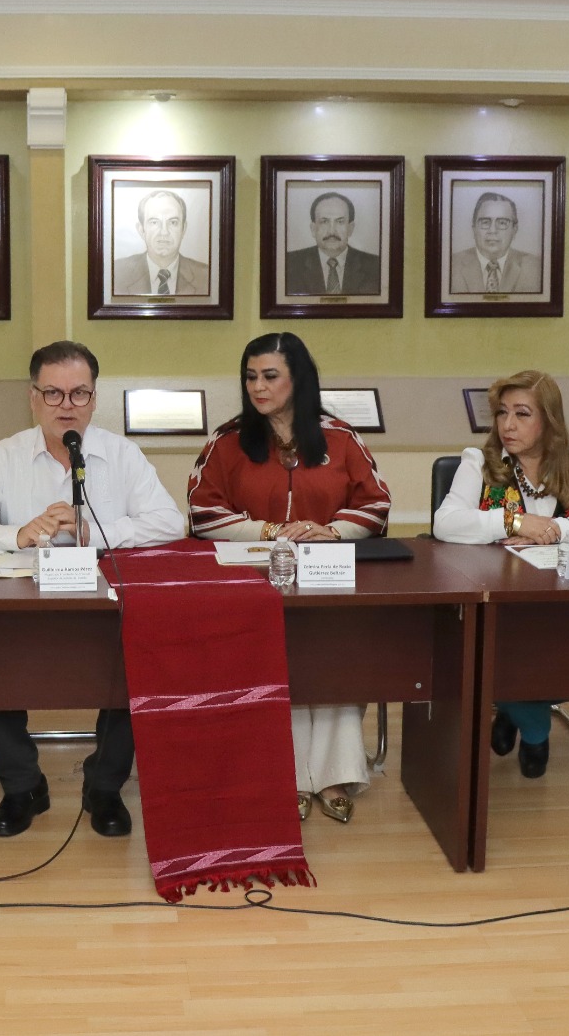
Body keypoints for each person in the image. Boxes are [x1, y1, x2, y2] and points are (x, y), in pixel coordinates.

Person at [0, 340, 184, 839]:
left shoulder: (121, 454)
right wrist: (16, 534)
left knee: (139, 654)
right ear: (33, 398)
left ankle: (104, 788)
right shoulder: (4, 456)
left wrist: (95, 529)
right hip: (22, 608)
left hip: (103, 607)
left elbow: (169, 522)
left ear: (94, 398)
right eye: (53, 393)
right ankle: (23, 787)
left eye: (78, 393)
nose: (66, 406)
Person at [188, 332, 391, 822]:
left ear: (298, 379)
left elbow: (376, 505)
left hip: (328, 578)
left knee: (335, 658)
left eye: (270, 376)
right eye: (250, 377)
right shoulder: (227, 441)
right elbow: (202, 514)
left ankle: (336, 773)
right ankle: (288, 774)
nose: (258, 387)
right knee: (275, 662)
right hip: (251, 582)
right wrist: (270, 531)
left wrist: (331, 532)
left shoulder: (341, 438)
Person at [434, 369, 569, 778]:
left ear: (550, 420)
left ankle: (514, 713)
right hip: (499, 599)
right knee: (505, 645)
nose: (507, 425)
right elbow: (446, 523)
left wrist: (561, 528)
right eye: (502, 413)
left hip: (565, 598)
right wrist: (513, 522)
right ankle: (535, 729)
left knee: (561, 644)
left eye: (522, 414)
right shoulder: (479, 461)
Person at [110, 190, 209, 296]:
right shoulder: (116, 273)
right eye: (154, 222)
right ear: (141, 230)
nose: (164, 232)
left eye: (173, 222)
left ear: (183, 229)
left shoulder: (206, 276)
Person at [282, 191, 382, 296]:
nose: (332, 231)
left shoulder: (376, 267)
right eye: (324, 222)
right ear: (313, 229)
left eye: (340, 222)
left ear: (350, 228)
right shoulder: (288, 264)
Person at [449, 192, 541, 294]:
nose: (492, 230)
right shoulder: (450, 265)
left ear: (514, 230)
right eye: (485, 222)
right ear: (474, 228)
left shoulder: (536, 267)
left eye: (502, 223)